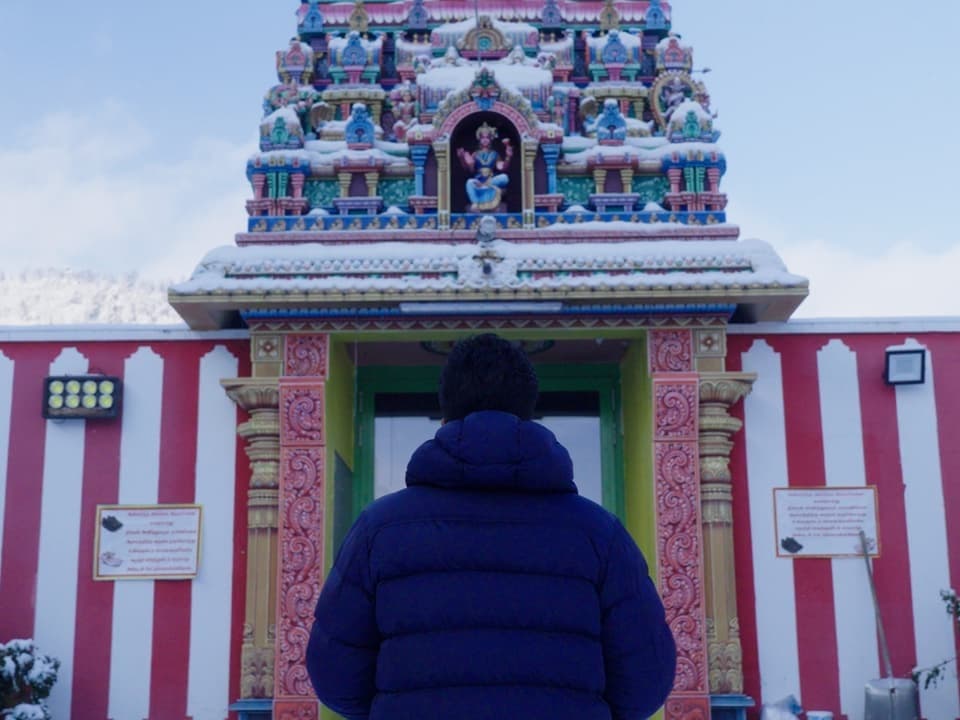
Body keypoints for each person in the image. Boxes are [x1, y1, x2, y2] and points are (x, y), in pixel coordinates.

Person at [307, 333, 677, 720]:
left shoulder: (377, 531)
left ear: (446, 415)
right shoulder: (600, 535)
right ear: (527, 414)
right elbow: (645, 682)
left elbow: (334, 674)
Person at [456, 123, 513, 212]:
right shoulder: (475, 154)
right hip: (478, 181)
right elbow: (470, 169)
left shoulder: (495, 154)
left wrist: (508, 157)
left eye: (487, 137)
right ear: (479, 139)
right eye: (483, 137)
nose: (485, 140)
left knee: (505, 178)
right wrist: (461, 158)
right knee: (469, 182)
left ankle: (484, 186)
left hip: (491, 180)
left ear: (490, 139)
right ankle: (476, 203)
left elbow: (502, 167)